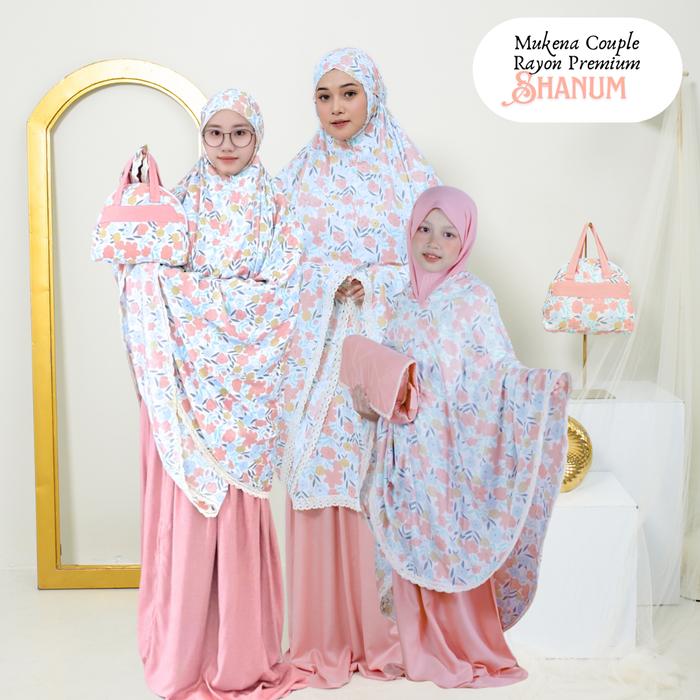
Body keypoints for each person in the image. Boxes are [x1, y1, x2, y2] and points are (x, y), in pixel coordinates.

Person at [115, 89, 306, 699]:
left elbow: (285, 289)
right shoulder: (179, 203)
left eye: (239, 133)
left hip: (247, 388)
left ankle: (241, 652)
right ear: (201, 137)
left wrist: (206, 301)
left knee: (237, 507)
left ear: (258, 137)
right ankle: (186, 649)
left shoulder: (276, 205)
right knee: (193, 509)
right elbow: (148, 276)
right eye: (214, 133)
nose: (226, 145)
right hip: (189, 389)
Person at [351, 185, 571, 689]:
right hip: (404, 450)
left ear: (465, 239)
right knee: (409, 537)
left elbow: (498, 369)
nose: (434, 242)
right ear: (411, 231)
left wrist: (539, 387)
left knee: (452, 540)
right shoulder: (400, 301)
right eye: (425, 229)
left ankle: (463, 646)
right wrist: (371, 391)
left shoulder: (475, 299)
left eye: (449, 233)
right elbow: (391, 370)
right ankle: (417, 647)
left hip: (453, 451)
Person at [275, 47, 440, 687]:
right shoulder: (298, 176)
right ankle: (322, 634)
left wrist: (369, 281)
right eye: (324, 96)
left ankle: (379, 629)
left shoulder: (408, 172)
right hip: (317, 356)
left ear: (373, 95)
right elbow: (275, 263)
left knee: (376, 477)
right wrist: (326, 283)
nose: (336, 107)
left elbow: (436, 263)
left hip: (381, 348)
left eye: (349, 93)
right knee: (318, 470)